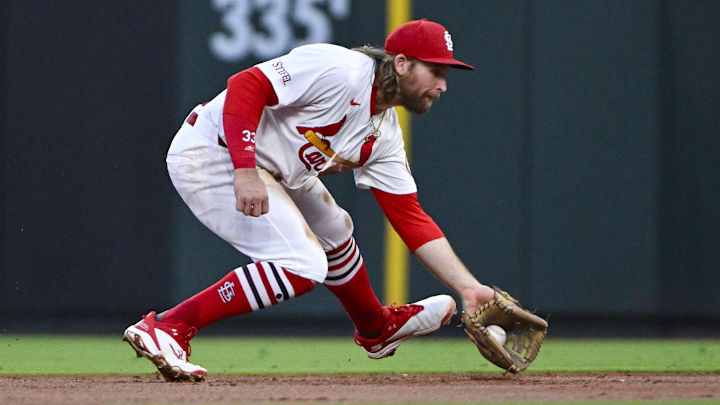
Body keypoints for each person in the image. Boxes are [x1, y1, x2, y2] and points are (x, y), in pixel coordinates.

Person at [123, 18, 496, 382]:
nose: (443, 85)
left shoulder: (384, 133)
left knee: (336, 227)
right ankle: (169, 327)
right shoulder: (340, 69)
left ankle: (376, 329)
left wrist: (467, 287)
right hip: (213, 152)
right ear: (401, 64)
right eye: (436, 71)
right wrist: (245, 168)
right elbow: (247, 84)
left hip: (272, 168)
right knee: (303, 265)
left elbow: (410, 219)